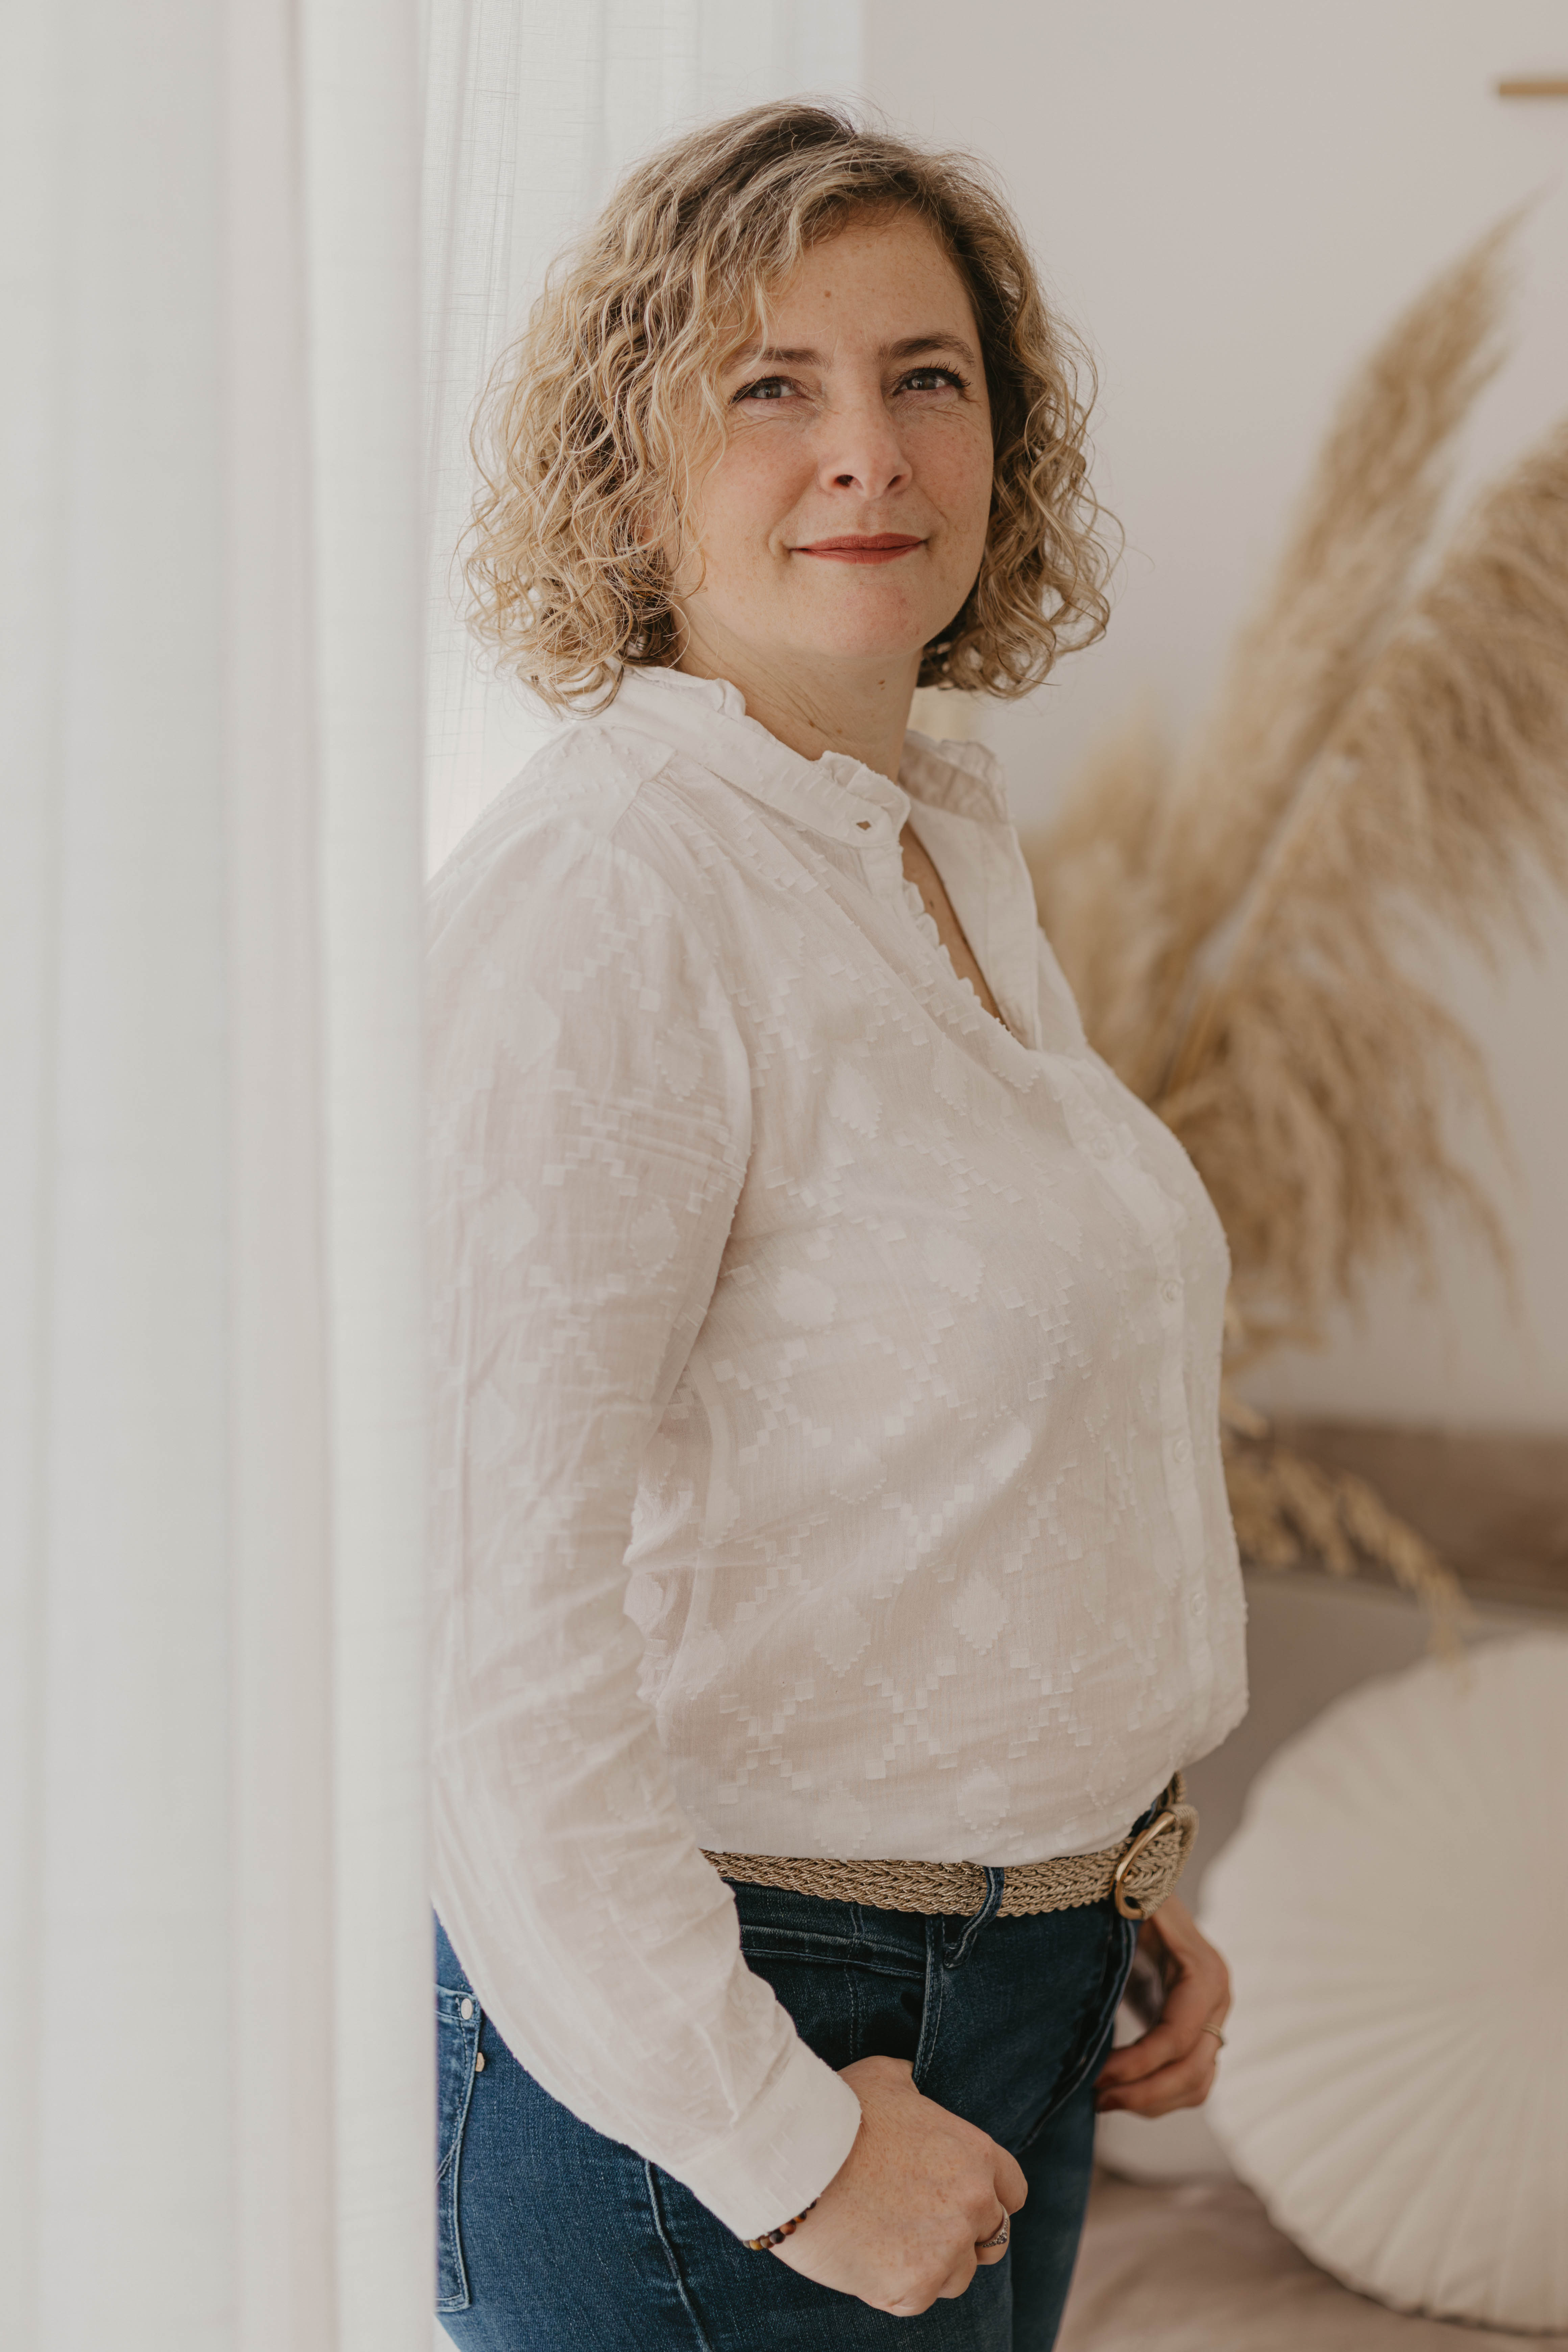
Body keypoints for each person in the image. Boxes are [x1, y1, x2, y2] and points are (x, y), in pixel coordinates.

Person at [427, 99, 1246, 2352]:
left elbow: (950, 1459)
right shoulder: (612, 903)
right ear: (632, 466)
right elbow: (483, 1638)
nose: (867, 450)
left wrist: (1112, 1868)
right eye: (769, 388)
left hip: (1016, 1993)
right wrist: (779, 2141)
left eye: (927, 378)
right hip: (738, 2041)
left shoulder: (927, 841)